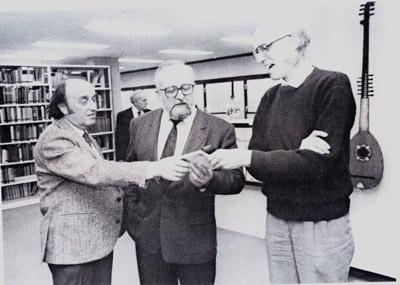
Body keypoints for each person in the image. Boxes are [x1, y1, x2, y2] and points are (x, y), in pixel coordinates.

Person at [209, 23, 356, 283]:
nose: (259, 58)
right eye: (256, 51)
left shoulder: (332, 85)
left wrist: (253, 156)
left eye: (265, 48)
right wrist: (296, 151)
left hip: (320, 221)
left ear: (294, 41)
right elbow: (259, 165)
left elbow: (316, 164)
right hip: (276, 216)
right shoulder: (270, 97)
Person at [33, 77, 190, 285]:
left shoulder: (81, 134)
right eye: (83, 101)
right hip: (74, 247)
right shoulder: (54, 138)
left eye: (94, 99)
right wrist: (153, 168)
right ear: (62, 107)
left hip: (94, 241)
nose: (93, 106)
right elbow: (95, 172)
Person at [124, 60, 245, 285]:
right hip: (149, 240)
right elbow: (132, 172)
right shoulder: (139, 124)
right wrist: (135, 221)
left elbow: (236, 179)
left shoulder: (219, 128)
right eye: (171, 90)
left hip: (195, 243)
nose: (180, 95)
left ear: (194, 88)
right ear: (159, 93)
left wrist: (210, 179)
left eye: (186, 88)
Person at [115, 89, 151, 160]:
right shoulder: (122, 115)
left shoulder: (150, 113)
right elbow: (120, 139)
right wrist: (120, 158)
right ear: (135, 102)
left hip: (146, 153)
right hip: (130, 154)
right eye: (144, 100)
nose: (147, 103)